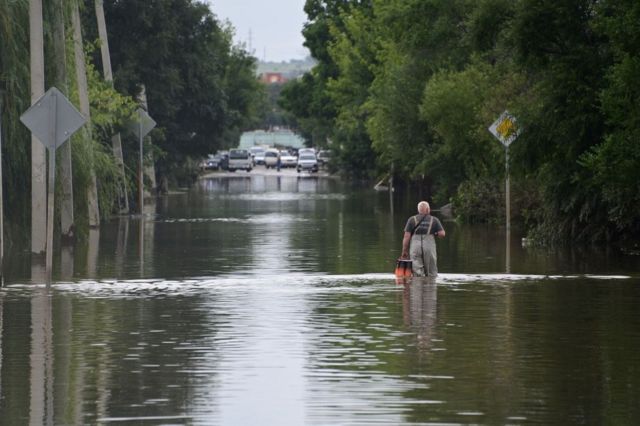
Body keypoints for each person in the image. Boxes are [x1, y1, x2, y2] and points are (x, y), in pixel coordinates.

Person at [401, 201, 445, 277]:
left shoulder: (412, 219)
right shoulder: (434, 220)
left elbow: (406, 236)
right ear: (428, 209)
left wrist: (404, 250)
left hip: (415, 247)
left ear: (418, 210)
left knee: (417, 273)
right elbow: (442, 234)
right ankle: (430, 287)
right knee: (432, 273)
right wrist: (435, 233)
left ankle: (418, 286)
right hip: (429, 246)